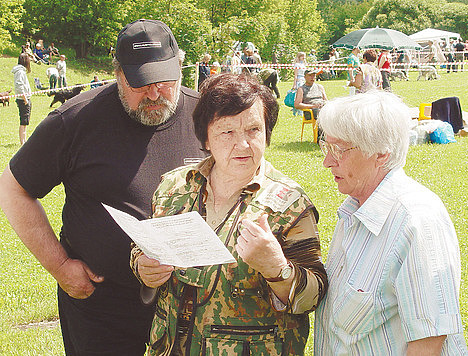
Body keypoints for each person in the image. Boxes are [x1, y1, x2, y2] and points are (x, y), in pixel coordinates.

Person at [0, 19, 206, 356]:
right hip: (102, 308)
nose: (154, 93)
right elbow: (12, 189)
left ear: (180, 67)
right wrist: (60, 266)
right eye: (140, 83)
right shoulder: (75, 120)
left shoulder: (206, 116)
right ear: (118, 74)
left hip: (188, 305)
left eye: (163, 80)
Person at [131, 73, 328, 355]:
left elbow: (315, 296)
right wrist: (142, 265)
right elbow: (144, 243)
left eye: (253, 130)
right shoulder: (173, 187)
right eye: (227, 132)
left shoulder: (289, 205)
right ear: (206, 138)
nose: (243, 144)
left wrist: (277, 268)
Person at [314, 90, 468, 355]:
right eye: (326, 147)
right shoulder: (354, 210)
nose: (328, 162)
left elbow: (428, 342)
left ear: (381, 153)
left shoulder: (416, 221)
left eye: (339, 150)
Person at [12, 53, 32, 145]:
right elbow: (19, 86)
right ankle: (22, 142)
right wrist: (25, 99)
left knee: (26, 121)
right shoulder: (20, 72)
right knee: (23, 121)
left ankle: (24, 140)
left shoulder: (22, 71)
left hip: (25, 98)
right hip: (23, 99)